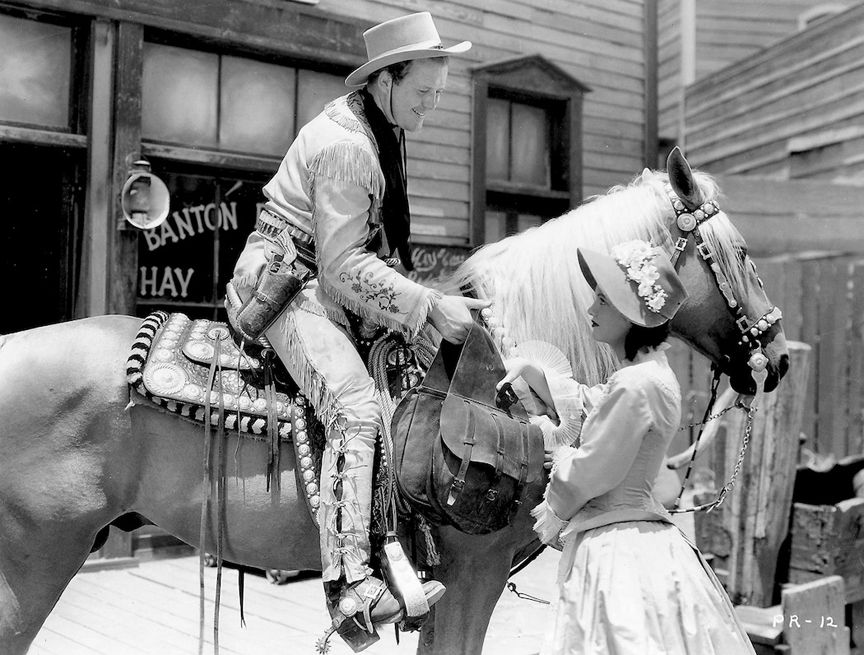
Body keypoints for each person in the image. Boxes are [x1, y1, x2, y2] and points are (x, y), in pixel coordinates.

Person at [226, 11, 487, 651]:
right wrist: (426, 305)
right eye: (424, 92)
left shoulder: (378, 133)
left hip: (319, 284)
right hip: (285, 285)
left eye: (438, 94)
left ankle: (400, 548)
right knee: (356, 405)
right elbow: (343, 267)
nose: (431, 107)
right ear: (387, 80)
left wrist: (422, 314)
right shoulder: (347, 146)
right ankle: (352, 587)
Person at [498, 240, 756, 654]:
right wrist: (535, 373)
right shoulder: (646, 374)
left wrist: (555, 453)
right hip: (632, 532)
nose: (591, 310)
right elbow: (593, 403)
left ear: (630, 314)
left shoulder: (637, 384)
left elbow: (594, 470)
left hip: (616, 543)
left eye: (603, 300)